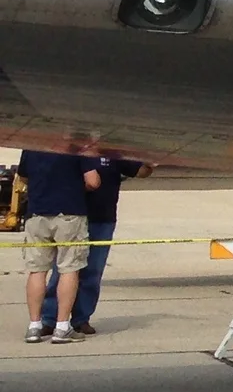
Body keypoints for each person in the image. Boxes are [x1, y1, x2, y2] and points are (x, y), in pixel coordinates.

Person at [43, 152, 145, 336]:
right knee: (63, 269)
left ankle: (81, 319)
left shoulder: (113, 150)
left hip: (102, 217)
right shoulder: (73, 149)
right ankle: (50, 318)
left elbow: (139, 170)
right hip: (72, 215)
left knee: (92, 271)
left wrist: (154, 161)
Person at [19, 147, 99, 344]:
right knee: (69, 269)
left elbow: (23, 177)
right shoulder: (78, 147)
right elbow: (93, 181)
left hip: (37, 213)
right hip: (69, 212)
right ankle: (62, 327)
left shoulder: (31, 146)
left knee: (36, 270)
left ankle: (34, 326)